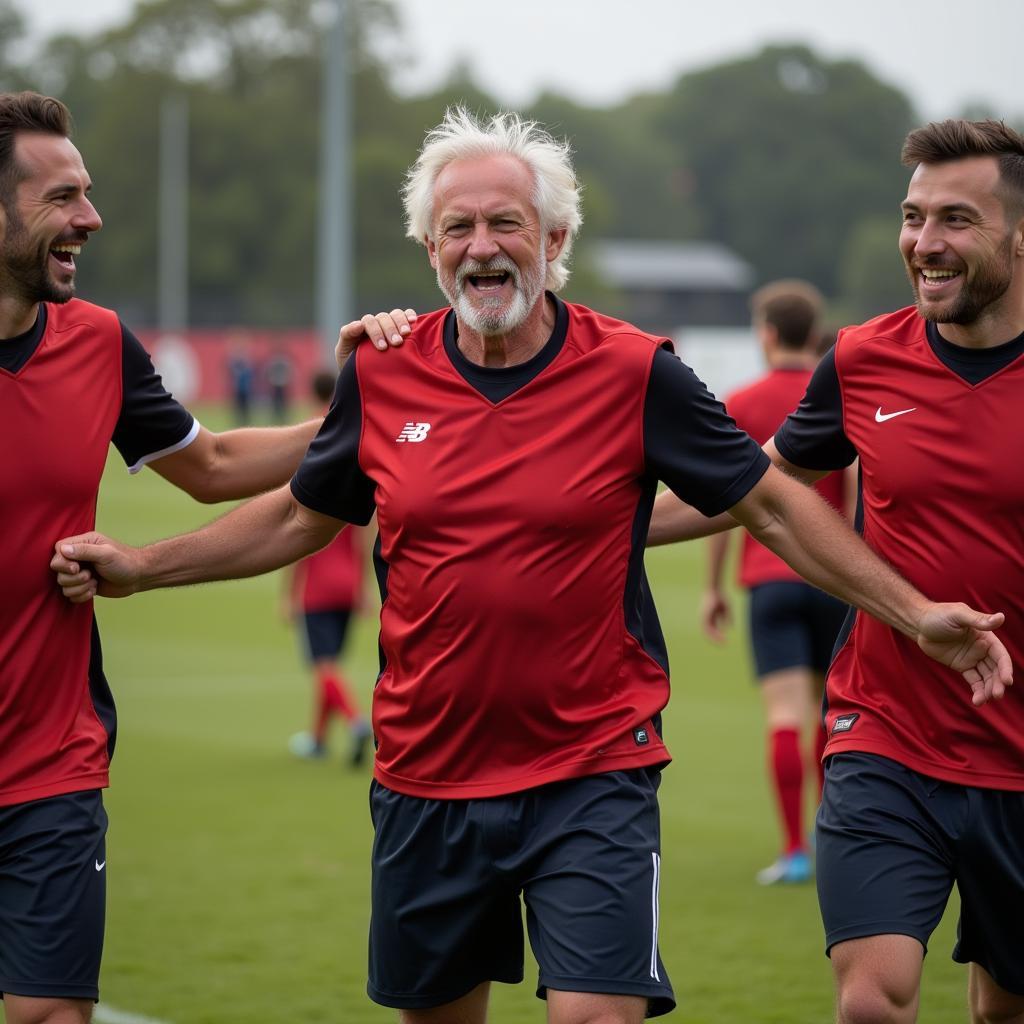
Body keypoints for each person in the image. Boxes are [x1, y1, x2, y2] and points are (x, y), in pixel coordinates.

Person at [51, 108, 1012, 1024]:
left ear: (554, 240)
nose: (481, 246)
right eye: (456, 227)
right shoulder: (381, 375)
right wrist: (144, 564)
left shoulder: (639, 372)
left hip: (593, 768)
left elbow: (770, 504)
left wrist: (913, 612)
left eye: (507, 223)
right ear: (429, 250)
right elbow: (297, 521)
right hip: (428, 773)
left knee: (600, 1010)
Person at [649, 119, 1024, 1024]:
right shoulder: (862, 359)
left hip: (1017, 760)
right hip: (884, 734)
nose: (924, 244)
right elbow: (757, 486)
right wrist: (593, 525)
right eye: (912, 216)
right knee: (871, 1002)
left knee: (1002, 1008)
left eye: (956, 220)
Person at [0, 90, 332, 1024]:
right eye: (61, 197)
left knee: (52, 1015)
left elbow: (215, 467)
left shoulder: (99, 343)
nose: (90, 218)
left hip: (50, 761)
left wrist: (368, 409)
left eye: (89, 194)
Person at [700, 280, 848, 887]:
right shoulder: (836, 392)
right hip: (836, 578)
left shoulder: (741, 400)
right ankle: (830, 833)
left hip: (769, 578)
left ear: (766, 333)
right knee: (829, 714)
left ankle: (793, 850)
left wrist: (713, 586)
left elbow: (717, 499)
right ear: (814, 334)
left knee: (784, 714)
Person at [285, 369, 372, 766]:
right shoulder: (358, 429)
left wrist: (289, 594)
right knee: (332, 663)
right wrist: (366, 585)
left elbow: (296, 524)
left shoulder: (315, 437)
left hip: (318, 582)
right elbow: (368, 524)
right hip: (350, 578)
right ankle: (319, 739)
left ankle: (356, 723)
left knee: (323, 665)